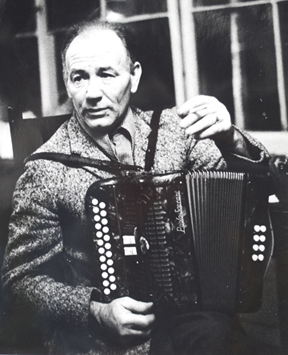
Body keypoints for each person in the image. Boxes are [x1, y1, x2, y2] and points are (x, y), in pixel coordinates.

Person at [1, 19, 274, 355]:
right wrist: (95, 311)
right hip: (109, 342)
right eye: (79, 77)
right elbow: (20, 281)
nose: (92, 93)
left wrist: (231, 138)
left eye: (106, 74)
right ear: (67, 85)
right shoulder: (45, 169)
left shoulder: (179, 133)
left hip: (198, 322)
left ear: (135, 76)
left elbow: (239, 200)